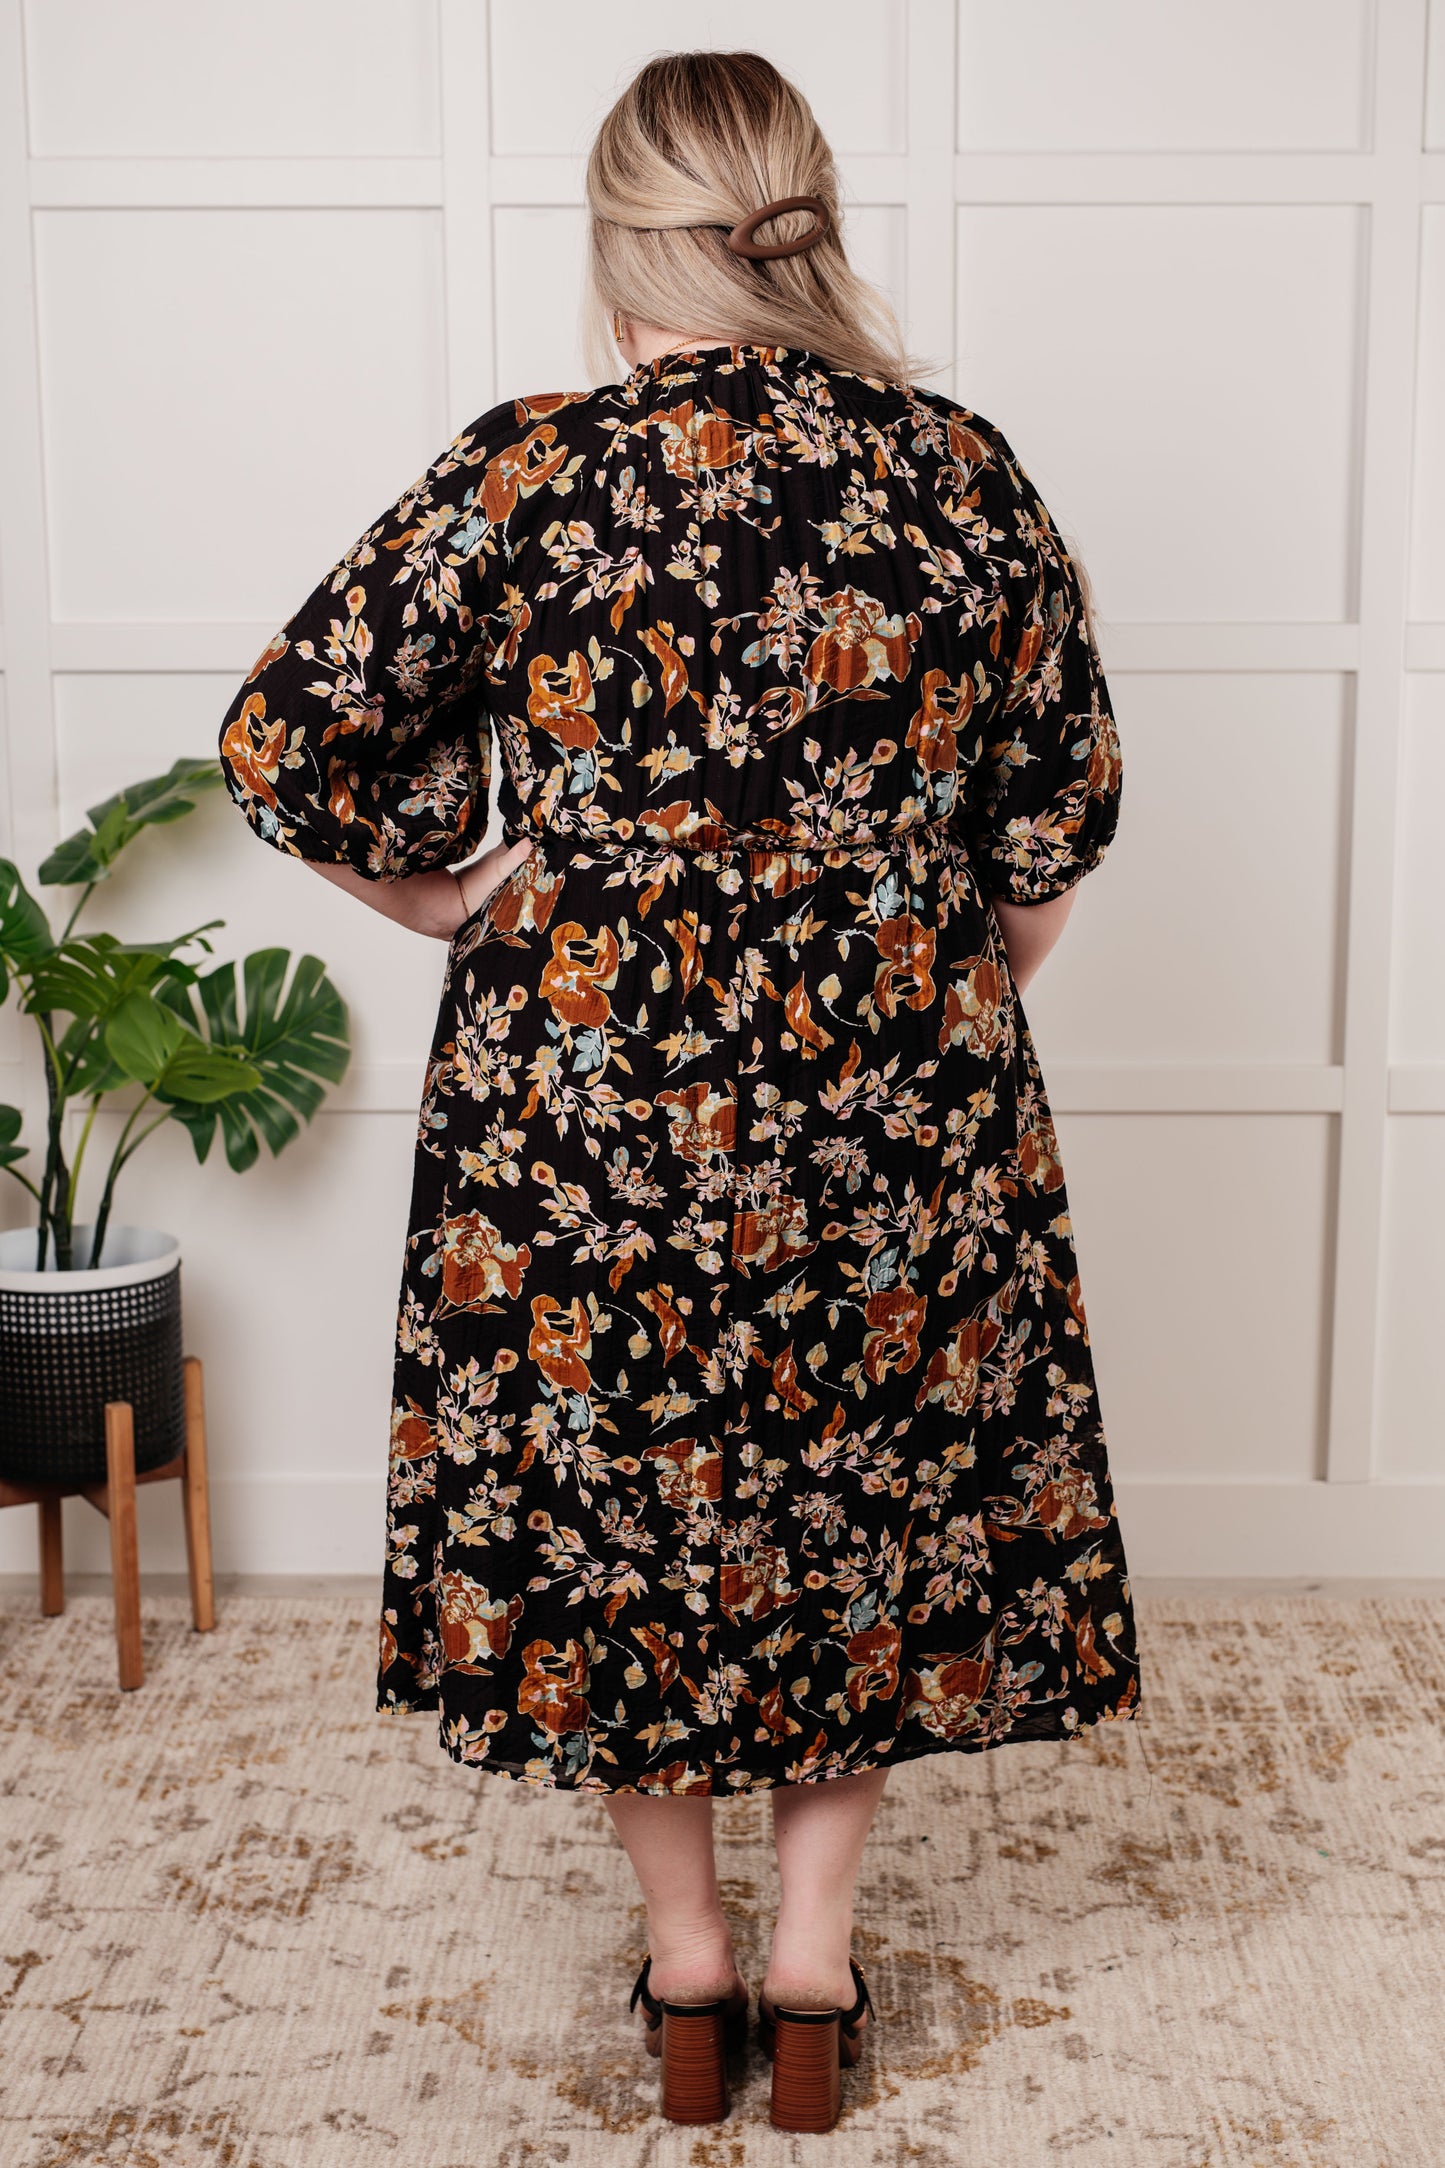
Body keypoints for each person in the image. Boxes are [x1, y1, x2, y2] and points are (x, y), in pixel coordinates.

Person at [217, 47, 1142, 2136]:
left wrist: (451, 894)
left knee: (613, 1498)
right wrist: (926, 984)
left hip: (582, 1075)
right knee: (864, 1493)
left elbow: (289, 737)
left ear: (618, 237)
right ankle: (814, 1956)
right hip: (895, 1062)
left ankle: (690, 1961)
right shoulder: (956, 470)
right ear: (805, 221)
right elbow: (1049, 827)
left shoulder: (528, 471)